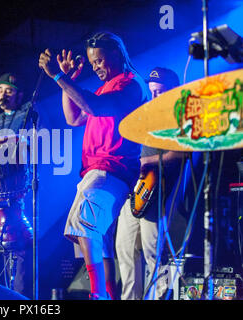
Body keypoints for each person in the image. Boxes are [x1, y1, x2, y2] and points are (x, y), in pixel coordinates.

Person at [39, 31, 149, 300]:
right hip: (98, 170)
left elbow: (96, 107)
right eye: (92, 63)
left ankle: (98, 295)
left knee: (84, 224)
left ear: (117, 55)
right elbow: (73, 118)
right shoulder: (103, 87)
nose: (96, 67)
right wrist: (67, 81)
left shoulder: (131, 84)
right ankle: (106, 293)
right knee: (99, 242)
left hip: (112, 169)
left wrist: (58, 77)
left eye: (100, 60)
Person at [115, 67, 185, 300]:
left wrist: (146, 160)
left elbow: (179, 155)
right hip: (138, 190)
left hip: (161, 192)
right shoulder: (144, 115)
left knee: (153, 253)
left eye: (160, 92)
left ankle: (158, 297)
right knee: (124, 249)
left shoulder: (179, 118)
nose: (154, 96)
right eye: (152, 91)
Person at [0, 73, 34, 298]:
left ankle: (20, 295)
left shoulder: (26, 113)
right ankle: (6, 293)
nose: (3, 95)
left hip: (19, 187)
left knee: (22, 242)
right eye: (0, 90)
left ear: (19, 95)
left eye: (9, 91)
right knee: (5, 240)